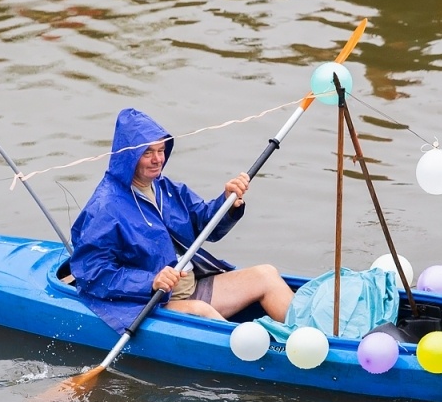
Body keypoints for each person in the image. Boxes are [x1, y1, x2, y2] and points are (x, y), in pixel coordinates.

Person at [69, 108, 293, 333]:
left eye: (161, 150)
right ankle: (257, 358)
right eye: (148, 153)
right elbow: (92, 274)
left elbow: (206, 226)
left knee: (266, 274)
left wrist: (228, 203)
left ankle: (317, 341)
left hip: (192, 285)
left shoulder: (166, 189)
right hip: (147, 302)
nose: (158, 159)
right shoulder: (105, 207)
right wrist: (151, 281)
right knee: (201, 310)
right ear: (129, 157)